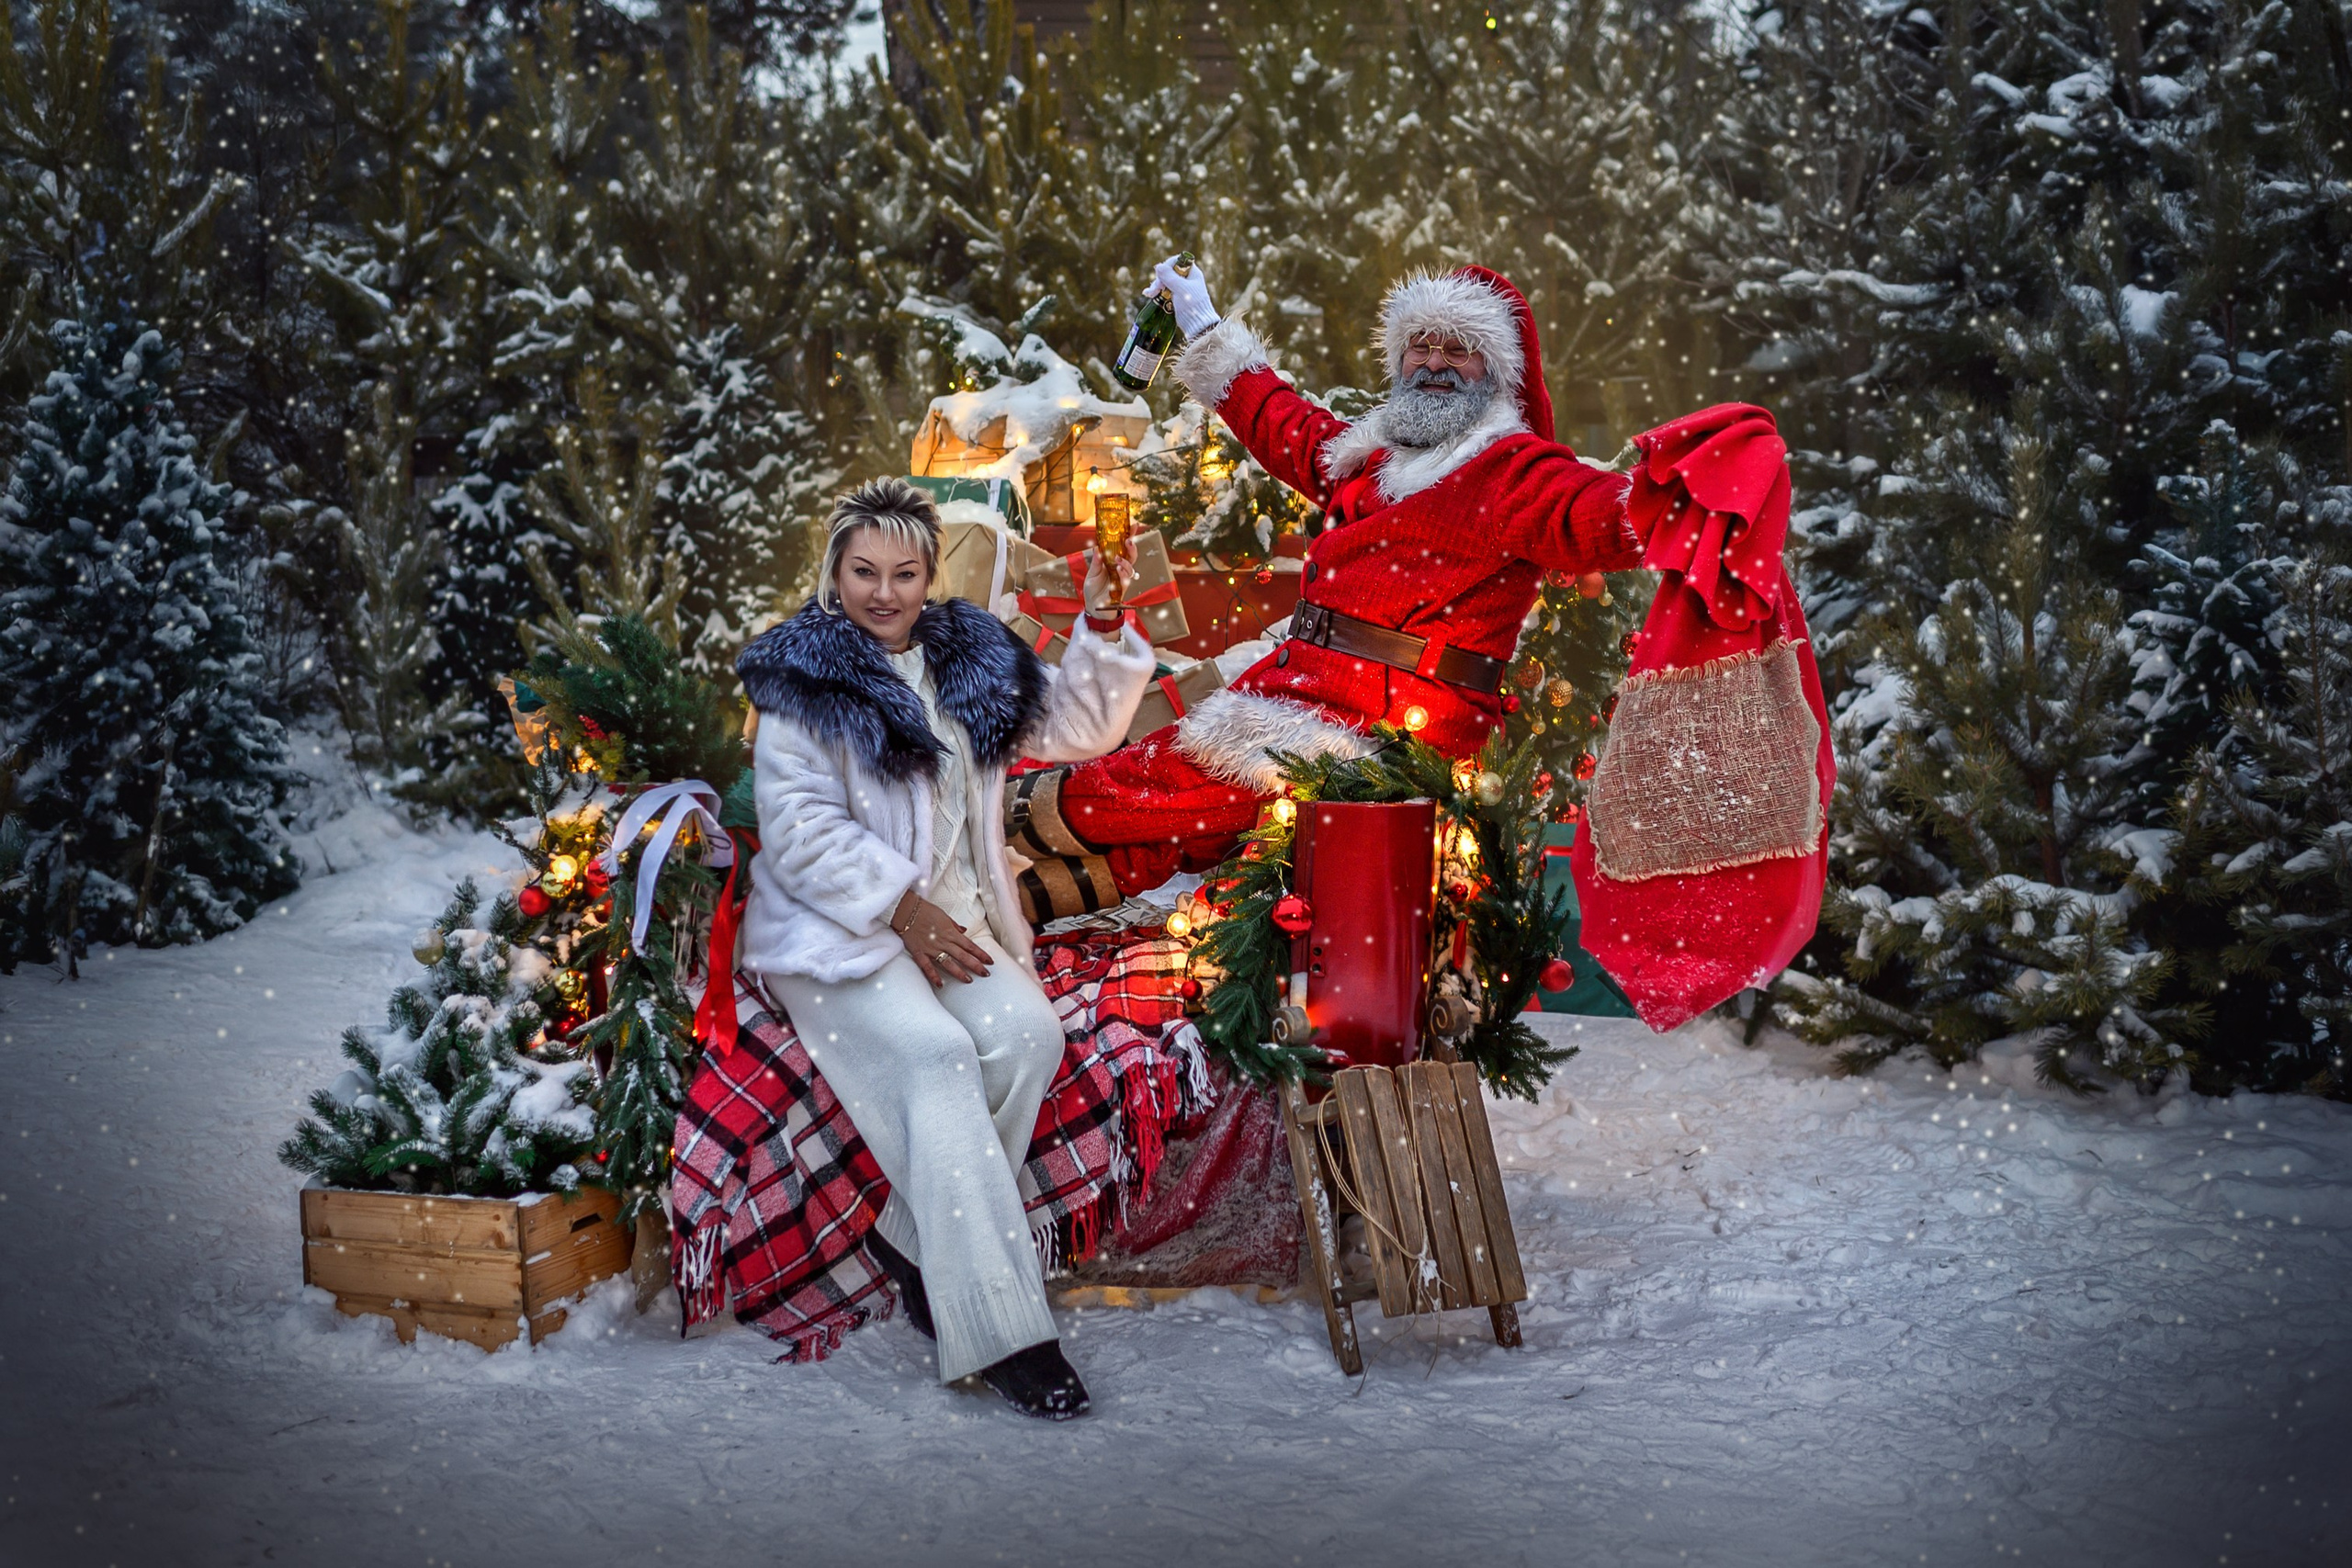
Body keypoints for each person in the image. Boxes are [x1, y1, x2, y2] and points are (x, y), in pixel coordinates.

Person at [1010, 259, 1645, 914]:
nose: (1434, 364)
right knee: (1171, 833)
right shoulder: (1379, 456)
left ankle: (994, 821)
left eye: (1459, 349)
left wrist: (1695, 493)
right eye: (1421, 347)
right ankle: (1014, 907)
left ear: (1500, 371)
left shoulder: (1514, 471)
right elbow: (1290, 430)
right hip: (1312, 694)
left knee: (1153, 786)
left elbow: (1601, 512)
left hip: (1382, 727)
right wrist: (1201, 325)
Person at [732, 477, 1152, 1418]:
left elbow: (1080, 727)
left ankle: (910, 1236)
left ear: (931, 576)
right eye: (863, 571)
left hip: (958, 919)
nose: (884, 592)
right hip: (839, 930)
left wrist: (1104, 627)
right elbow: (799, 833)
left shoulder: (974, 659)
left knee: (1027, 1039)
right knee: (936, 1057)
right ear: (834, 572)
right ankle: (1006, 1332)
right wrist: (903, 909)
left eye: (905, 572)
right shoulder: (803, 678)